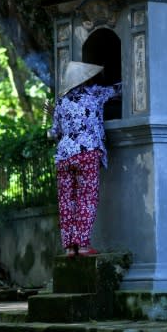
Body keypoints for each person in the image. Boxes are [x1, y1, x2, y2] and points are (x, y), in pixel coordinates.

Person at [48, 61, 121, 257]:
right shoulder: (95, 93)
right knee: (86, 198)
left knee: (67, 200)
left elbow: (55, 132)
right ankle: (82, 245)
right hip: (87, 152)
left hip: (64, 155)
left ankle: (69, 247)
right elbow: (119, 89)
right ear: (87, 79)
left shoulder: (61, 101)